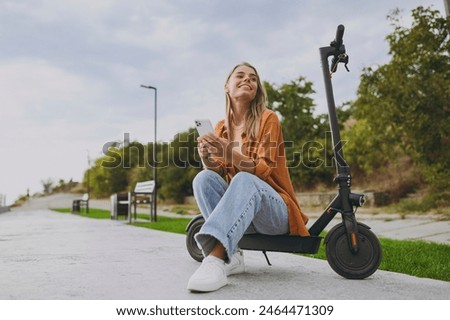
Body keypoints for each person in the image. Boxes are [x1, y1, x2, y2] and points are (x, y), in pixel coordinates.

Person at [187, 62, 309, 292]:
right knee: (203, 179)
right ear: (227, 86)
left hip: (274, 213)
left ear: (257, 89)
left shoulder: (268, 119)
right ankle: (232, 257)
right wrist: (207, 158)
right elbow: (219, 173)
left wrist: (229, 152)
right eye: (240, 76)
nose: (247, 80)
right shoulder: (222, 128)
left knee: (244, 179)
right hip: (242, 214)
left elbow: (262, 171)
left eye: (253, 78)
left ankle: (215, 259)